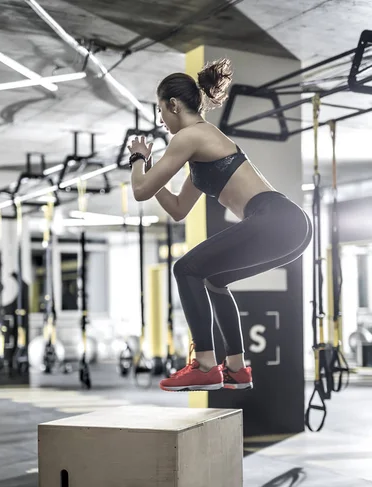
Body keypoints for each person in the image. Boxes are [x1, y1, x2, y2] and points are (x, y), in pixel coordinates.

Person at [128, 57, 312, 392]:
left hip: (274, 218)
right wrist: (153, 170)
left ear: (173, 105)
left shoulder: (190, 136)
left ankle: (206, 365)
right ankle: (237, 370)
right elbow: (178, 208)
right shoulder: (202, 150)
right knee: (213, 280)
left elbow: (140, 189)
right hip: (291, 227)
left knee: (185, 269)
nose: (161, 119)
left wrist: (138, 159)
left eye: (160, 110)